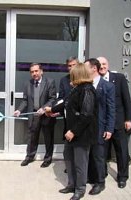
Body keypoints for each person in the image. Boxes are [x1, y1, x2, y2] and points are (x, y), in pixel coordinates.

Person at [45, 63, 98, 200]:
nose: (70, 76)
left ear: (78, 74)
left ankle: (80, 189)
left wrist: (73, 131)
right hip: (70, 133)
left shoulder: (87, 90)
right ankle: (71, 184)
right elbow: (65, 103)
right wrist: (52, 110)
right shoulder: (76, 89)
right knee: (68, 158)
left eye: (72, 74)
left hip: (81, 134)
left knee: (80, 163)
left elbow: (86, 115)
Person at [97, 56, 131, 188]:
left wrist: (128, 119)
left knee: (121, 151)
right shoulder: (96, 81)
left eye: (104, 64)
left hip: (118, 122)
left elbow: (126, 100)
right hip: (103, 124)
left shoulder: (119, 78)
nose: (102, 66)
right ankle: (103, 173)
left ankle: (122, 177)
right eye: (100, 64)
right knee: (103, 151)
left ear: (108, 64)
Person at [14, 63, 56, 168]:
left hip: (46, 114)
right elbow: (25, 100)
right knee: (32, 137)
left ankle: (48, 159)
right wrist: (19, 110)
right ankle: (29, 157)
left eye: (36, 71)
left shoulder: (50, 82)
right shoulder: (27, 84)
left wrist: (44, 108)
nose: (34, 74)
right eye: (32, 72)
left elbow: (52, 98)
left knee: (48, 138)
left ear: (41, 71)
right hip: (34, 115)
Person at [85, 58, 115, 195]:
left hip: (100, 127)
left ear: (94, 69)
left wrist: (109, 129)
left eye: (86, 67)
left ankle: (100, 182)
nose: (84, 70)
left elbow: (111, 109)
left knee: (99, 156)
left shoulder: (108, 86)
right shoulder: (85, 85)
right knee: (89, 154)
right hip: (86, 128)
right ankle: (91, 177)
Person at [58, 56, 79, 174]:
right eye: (69, 66)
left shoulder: (84, 80)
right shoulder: (64, 80)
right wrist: (55, 109)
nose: (71, 68)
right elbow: (61, 98)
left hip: (81, 120)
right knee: (68, 145)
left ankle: (78, 167)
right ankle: (70, 166)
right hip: (68, 119)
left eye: (73, 65)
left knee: (80, 147)